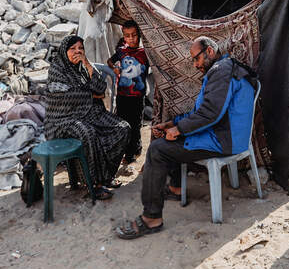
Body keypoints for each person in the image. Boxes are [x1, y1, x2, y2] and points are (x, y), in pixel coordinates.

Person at [116, 36, 256, 239]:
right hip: (223, 133)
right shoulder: (223, 69)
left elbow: (210, 114)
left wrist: (179, 129)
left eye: (196, 59)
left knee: (157, 150)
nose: (195, 64)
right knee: (168, 138)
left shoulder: (221, 71)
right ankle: (175, 188)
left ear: (209, 51)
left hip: (225, 140)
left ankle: (151, 218)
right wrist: (173, 124)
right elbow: (204, 111)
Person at [46, 35, 131, 200]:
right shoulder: (57, 69)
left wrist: (86, 63)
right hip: (64, 119)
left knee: (123, 128)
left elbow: (101, 87)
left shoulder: (83, 67)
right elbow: (64, 97)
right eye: (73, 49)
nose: (77, 52)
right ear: (64, 51)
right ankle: (93, 183)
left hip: (90, 113)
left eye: (81, 49)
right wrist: (91, 96)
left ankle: (106, 175)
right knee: (88, 133)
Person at [107, 20, 150, 163]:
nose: (131, 39)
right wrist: (114, 68)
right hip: (122, 95)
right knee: (122, 123)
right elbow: (109, 61)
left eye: (134, 35)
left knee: (136, 125)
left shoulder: (145, 53)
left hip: (138, 96)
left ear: (139, 35)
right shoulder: (121, 51)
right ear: (123, 36)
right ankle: (123, 151)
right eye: (127, 36)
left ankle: (132, 154)